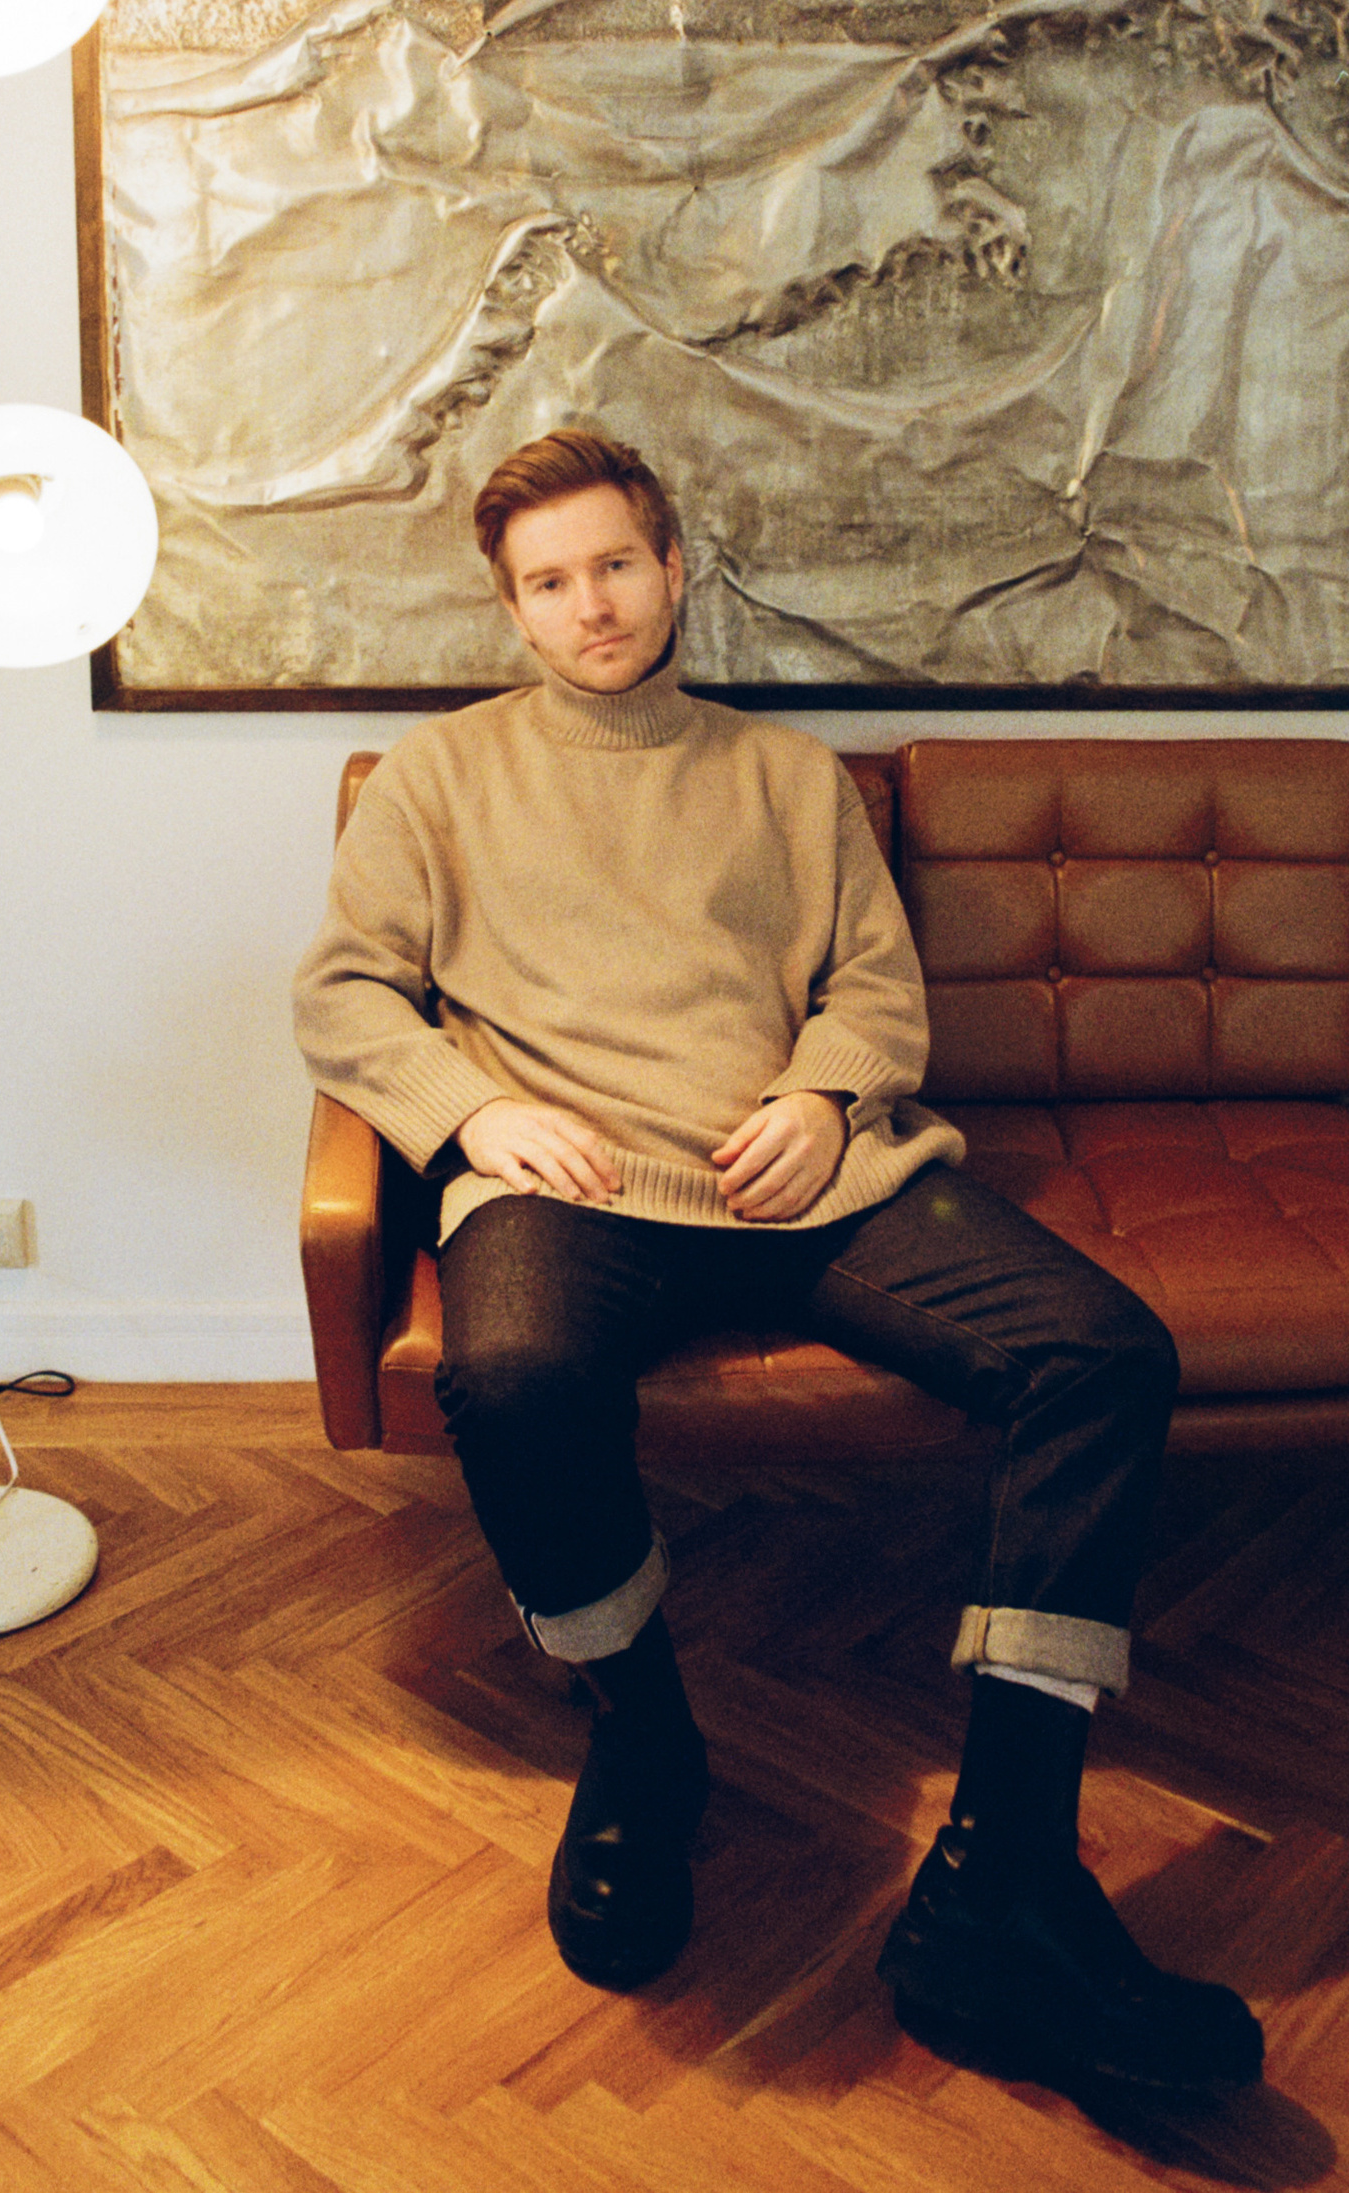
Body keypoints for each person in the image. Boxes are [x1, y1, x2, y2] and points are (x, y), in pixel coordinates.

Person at [292, 427, 1261, 2097]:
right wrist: (475, 1113)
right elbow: (341, 995)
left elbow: (875, 989)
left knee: (1100, 1350)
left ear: (674, 566)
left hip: (800, 1184)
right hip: (571, 1186)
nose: (591, 604)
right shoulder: (439, 779)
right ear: (513, 610)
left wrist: (824, 1094)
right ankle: (644, 1740)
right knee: (507, 1374)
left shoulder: (788, 778)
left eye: (615, 564)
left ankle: (1004, 1870)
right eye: (549, 582)